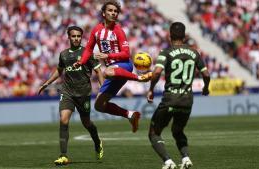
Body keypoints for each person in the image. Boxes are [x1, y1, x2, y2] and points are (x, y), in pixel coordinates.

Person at [73, 0, 152, 133]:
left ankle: (140, 78)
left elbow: (126, 53)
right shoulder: (96, 30)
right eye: (110, 10)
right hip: (114, 71)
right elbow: (88, 49)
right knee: (99, 105)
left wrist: (108, 56)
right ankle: (130, 115)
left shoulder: (118, 30)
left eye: (115, 11)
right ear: (103, 13)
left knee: (106, 72)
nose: (113, 13)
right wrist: (81, 62)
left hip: (123, 66)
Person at [146, 22, 210, 169]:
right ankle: (186, 158)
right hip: (187, 100)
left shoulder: (166, 52)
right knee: (177, 130)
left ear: (170, 36)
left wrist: (151, 89)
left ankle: (168, 161)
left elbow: (156, 72)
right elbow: (206, 74)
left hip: (170, 99)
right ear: (185, 36)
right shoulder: (194, 53)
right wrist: (206, 88)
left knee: (154, 133)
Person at [38, 26, 105, 166]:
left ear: (81, 37)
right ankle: (63, 156)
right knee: (63, 120)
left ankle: (97, 142)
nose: (76, 39)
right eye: (73, 36)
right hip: (67, 92)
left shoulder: (88, 53)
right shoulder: (63, 54)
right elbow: (59, 71)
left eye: (78, 36)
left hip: (83, 93)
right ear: (68, 37)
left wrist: (103, 90)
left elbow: (99, 72)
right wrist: (47, 83)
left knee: (87, 123)